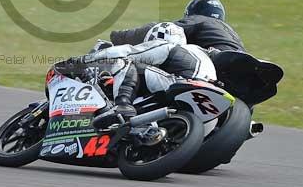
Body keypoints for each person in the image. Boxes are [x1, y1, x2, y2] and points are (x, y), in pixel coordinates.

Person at [109, 0, 284, 106]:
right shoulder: (231, 34)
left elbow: (163, 30)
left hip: (215, 64)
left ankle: (124, 103)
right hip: (242, 77)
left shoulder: (199, 20)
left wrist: (118, 37)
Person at [81, 22, 217, 128]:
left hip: (183, 82)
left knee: (123, 62)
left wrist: (84, 60)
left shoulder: (164, 45)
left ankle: (122, 106)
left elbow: (126, 52)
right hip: (210, 90)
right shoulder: (201, 50)